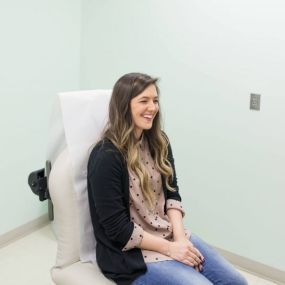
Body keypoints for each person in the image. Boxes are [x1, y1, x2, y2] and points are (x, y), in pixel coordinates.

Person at [87, 73, 248, 285]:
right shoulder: (106, 156)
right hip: (130, 254)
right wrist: (172, 249)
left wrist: (180, 240)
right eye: (143, 101)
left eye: (155, 100)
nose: (152, 107)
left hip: (169, 235)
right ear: (124, 106)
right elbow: (118, 230)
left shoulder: (158, 141)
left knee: (236, 282)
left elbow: (172, 193)